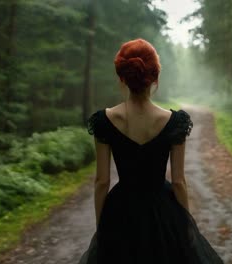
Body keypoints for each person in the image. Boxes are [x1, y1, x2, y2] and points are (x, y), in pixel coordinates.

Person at [78, 38, 224, 264]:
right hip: (163, 214)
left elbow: (102, 181)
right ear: (155, 77)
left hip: (121, 213)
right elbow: (178, 182)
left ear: (122, 77)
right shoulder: (175, 122)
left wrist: (102, 226)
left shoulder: (104, 121)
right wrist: (185, 226)